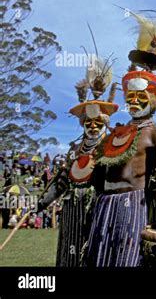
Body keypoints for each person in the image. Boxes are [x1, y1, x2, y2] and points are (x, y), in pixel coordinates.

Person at [83, 11, 156, 267]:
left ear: (155, 100)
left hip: (132, 204)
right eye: (130, 98)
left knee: (127, 260)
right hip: (103, 204)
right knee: (98, 260)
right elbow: (95, 175)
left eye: (140, 97)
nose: (134, 102)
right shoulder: (116, 134)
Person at [38, 40, 119, 267]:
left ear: (104, 124)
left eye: (97, 123)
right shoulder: (75, 149)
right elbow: (62, 180)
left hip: (97, 208)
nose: (93, 126)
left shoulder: (110, 147)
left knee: (92, 253)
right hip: (72, 208)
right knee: (69, 253)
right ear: (83, 124)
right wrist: (42, 203)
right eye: (89, 123)